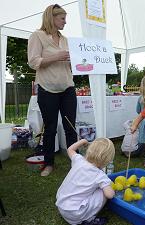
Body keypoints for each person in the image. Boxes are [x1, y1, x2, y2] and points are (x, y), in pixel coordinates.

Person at [27, 4, 77, 176]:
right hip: (47, 88)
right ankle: (48, 163)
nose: (65, 22)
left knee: (70, 126)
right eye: (62, 18)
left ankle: (75, 163)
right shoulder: (37, 36)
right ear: (52, 18)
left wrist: (78, 62)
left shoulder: (65, 40)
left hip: (68, 87)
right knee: (50, 127)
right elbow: (33, 62)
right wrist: (57, 56)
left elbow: (71, 64)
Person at [56, 138, 115, 225]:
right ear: (107, 161)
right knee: (102, 192)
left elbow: (70, 149)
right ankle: (89, 219)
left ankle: (75, 216)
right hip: (76, 214)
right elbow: (110, 195)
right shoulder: (100, 176)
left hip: (61, 206)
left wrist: (82, 141)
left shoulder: (79, 160)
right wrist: (112, 189)